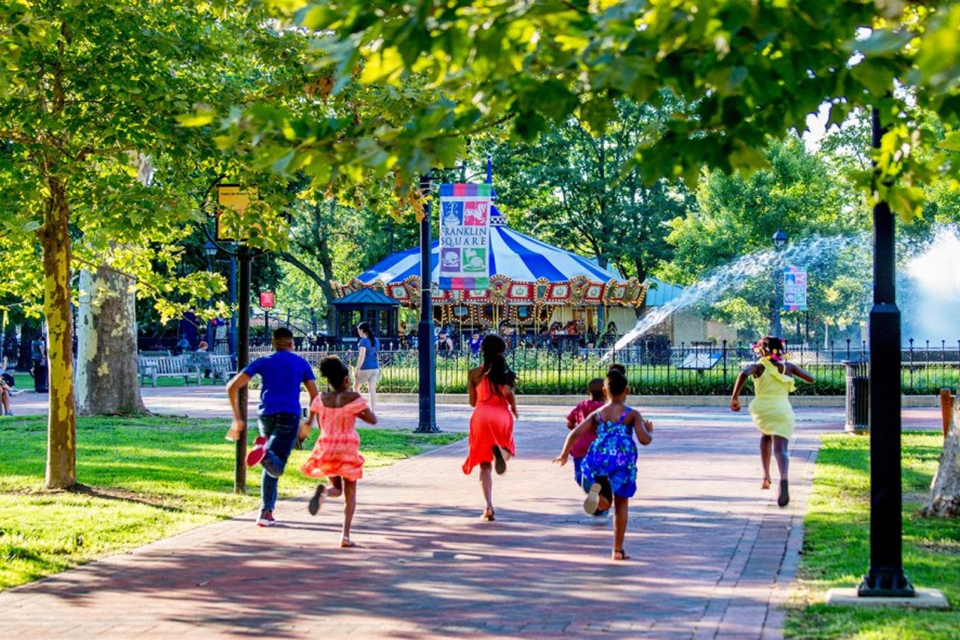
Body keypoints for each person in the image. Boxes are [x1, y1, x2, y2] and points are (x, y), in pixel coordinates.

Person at [555, 370, 653, 561]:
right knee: (621, 503)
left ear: (605, 391)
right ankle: (617, 550)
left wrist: (564, 454)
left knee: (605, 493)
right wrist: (650, 431)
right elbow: (644, 440)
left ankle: (600, 497)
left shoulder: (598, 413)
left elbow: (575, 432)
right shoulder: (632, 414)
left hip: (599, 457)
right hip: (622, 460)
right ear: (628, 390)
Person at [225, 327, 319, 527]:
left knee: (269, 466)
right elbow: (315, 396)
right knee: (276, 466)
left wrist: (237, 419)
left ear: (273, 343)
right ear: (292, 344)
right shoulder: (300, 363)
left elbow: (232, 386)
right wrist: (309, 422)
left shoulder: (263, 361)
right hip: (289, 416)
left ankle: (265, 511)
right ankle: (264, 455)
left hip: (265, 415)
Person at [730, 336, 815, 507]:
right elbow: (811, 378)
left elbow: (743, 373)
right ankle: (783, 478)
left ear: (762, 350)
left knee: (766, 437)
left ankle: (766, 477)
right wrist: (791, 371)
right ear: (781, 351)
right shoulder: (788, 367)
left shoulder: (759, 367)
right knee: (781, 449)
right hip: (782, 409)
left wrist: (735, 398)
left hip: (763, 409)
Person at [301, 356, 377, 548]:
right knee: (350, 494)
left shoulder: (320, 399)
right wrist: (357, 411)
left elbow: (310, 422)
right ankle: (345, 535)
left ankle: (325, 492)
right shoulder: (354, 398)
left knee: (336, 488)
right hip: (348, 448)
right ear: (345, 380)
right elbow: (372, 420)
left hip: (327, 446)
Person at [463, 335, 519, 521]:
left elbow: (472, 402)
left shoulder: (474, 373)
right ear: (503, 351)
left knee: (484, 466)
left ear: (483, 351)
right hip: (500, 415)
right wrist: (513, 407)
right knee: (507, 449)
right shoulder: (505, 373)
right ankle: (501, 453)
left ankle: (488, 507)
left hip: (480, 416)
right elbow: (508, 392)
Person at [565, 378, 607, 514]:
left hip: (580, 446)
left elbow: (570, 424)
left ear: (588, 392)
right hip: (599, 449)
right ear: (606, 393)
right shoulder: (605, 409)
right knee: (601, 475)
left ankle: (590, 488)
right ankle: (601, 501)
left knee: (579, 474)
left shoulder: (581, 405)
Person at [353, 322, 381, 413]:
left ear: (361, 330)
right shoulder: (376, 341)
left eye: (358, 331)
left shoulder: (363, 341)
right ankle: (373, 411)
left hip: (365, 368)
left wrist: (357, 369)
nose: (358, 333)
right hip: (375, 369)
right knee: (372, 390)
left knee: (356, 388)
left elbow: (361, 356)